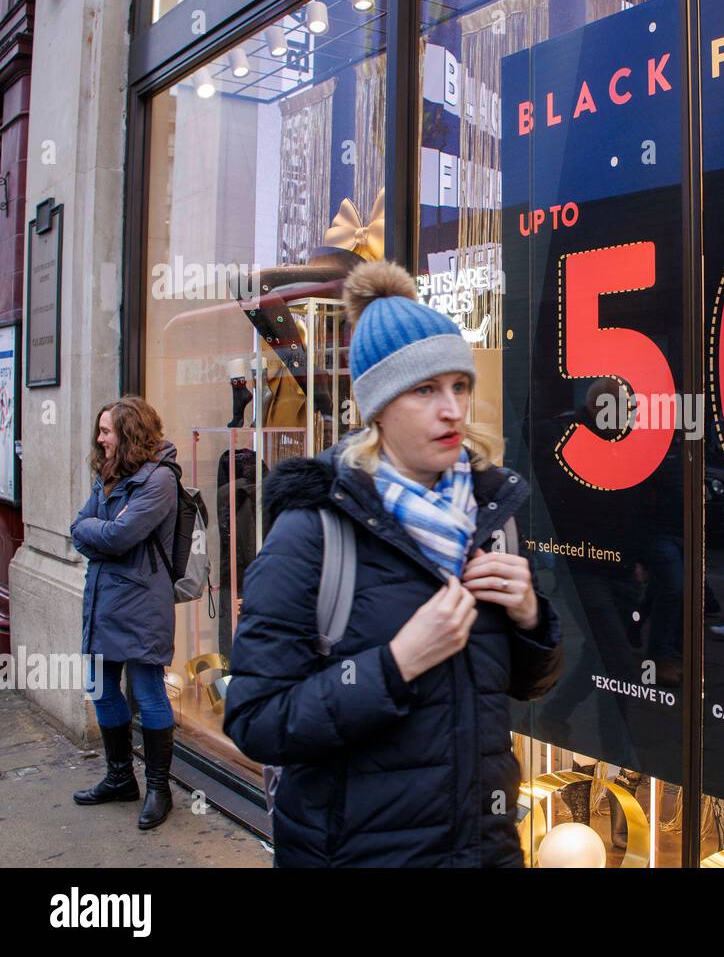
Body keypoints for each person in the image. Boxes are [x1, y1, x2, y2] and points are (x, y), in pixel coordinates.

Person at [223, 260, 563, 867]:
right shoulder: (315, 531)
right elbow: (255, 721)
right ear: (378, 406)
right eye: (425, 389)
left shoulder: (489, 516)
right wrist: (395, 664)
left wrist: (531, 617)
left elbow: (523, 686)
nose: (453, 409)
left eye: (460, 386)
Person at [70, 396, 181, 830]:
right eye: (99, 430)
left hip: (140, 602)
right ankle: (120, 778)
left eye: (106, 430)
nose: (100, 438)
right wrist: (97, 531)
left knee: (148, 692)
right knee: (101, 686)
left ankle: (159, 788)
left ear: (129, 432)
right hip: (102, 599)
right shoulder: (109, 474)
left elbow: (119, 536)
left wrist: (96, 532)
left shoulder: (160, 480)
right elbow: (78, 527)